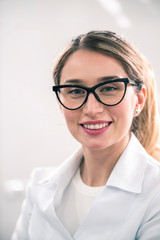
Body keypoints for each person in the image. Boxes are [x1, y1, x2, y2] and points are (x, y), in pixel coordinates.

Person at [12, 30, 160, 240]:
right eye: (75, 91)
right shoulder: (39, 187)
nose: (92, 109)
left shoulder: (156, 193)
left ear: (138, 100)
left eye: (109, 88)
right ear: (60, 102)